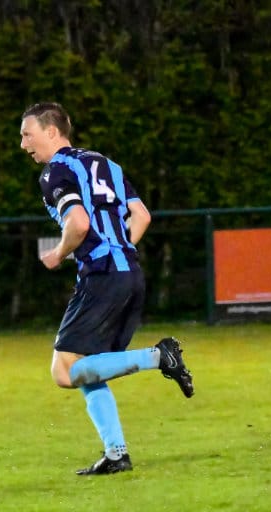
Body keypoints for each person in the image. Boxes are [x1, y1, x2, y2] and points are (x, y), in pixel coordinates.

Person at [19, 102, 195, 475]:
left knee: (64, 371)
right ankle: (116, 454)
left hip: (102, 276)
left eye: (27, 134)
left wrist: (59, 253)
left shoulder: (56, 171)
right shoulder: (106, 164)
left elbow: (79, 223)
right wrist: (118, 249)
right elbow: (142, 215)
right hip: (129, 272)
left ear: (51, 132)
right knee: (88, 368)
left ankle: (158, 357)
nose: (23, 144)